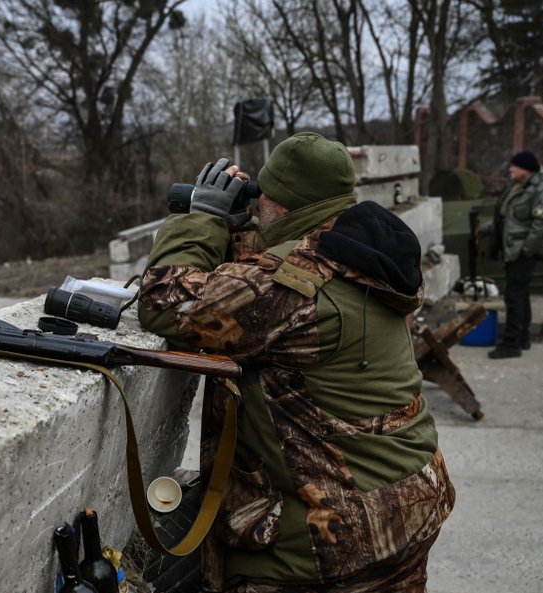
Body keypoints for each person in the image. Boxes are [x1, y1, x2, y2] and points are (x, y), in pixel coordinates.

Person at [138, 132, 455, 593]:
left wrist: (202, 219)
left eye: (262, 195)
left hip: (326, 547)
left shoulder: (295, 284)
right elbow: (270, 279)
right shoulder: (367, 250)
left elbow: (165, 302)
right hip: (407, 508)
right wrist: (243, 231)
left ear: (281, 205)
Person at [483, 151, 543, 359]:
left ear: (526, 169)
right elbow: (507, 217)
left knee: (514, 295)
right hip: (513, 248)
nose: (510, 170)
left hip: (523, 251)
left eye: (514, 166)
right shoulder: (518, 186)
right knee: (521, 294)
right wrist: (488, 229)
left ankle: (511, 344)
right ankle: (522, 337)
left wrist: (526, 250)